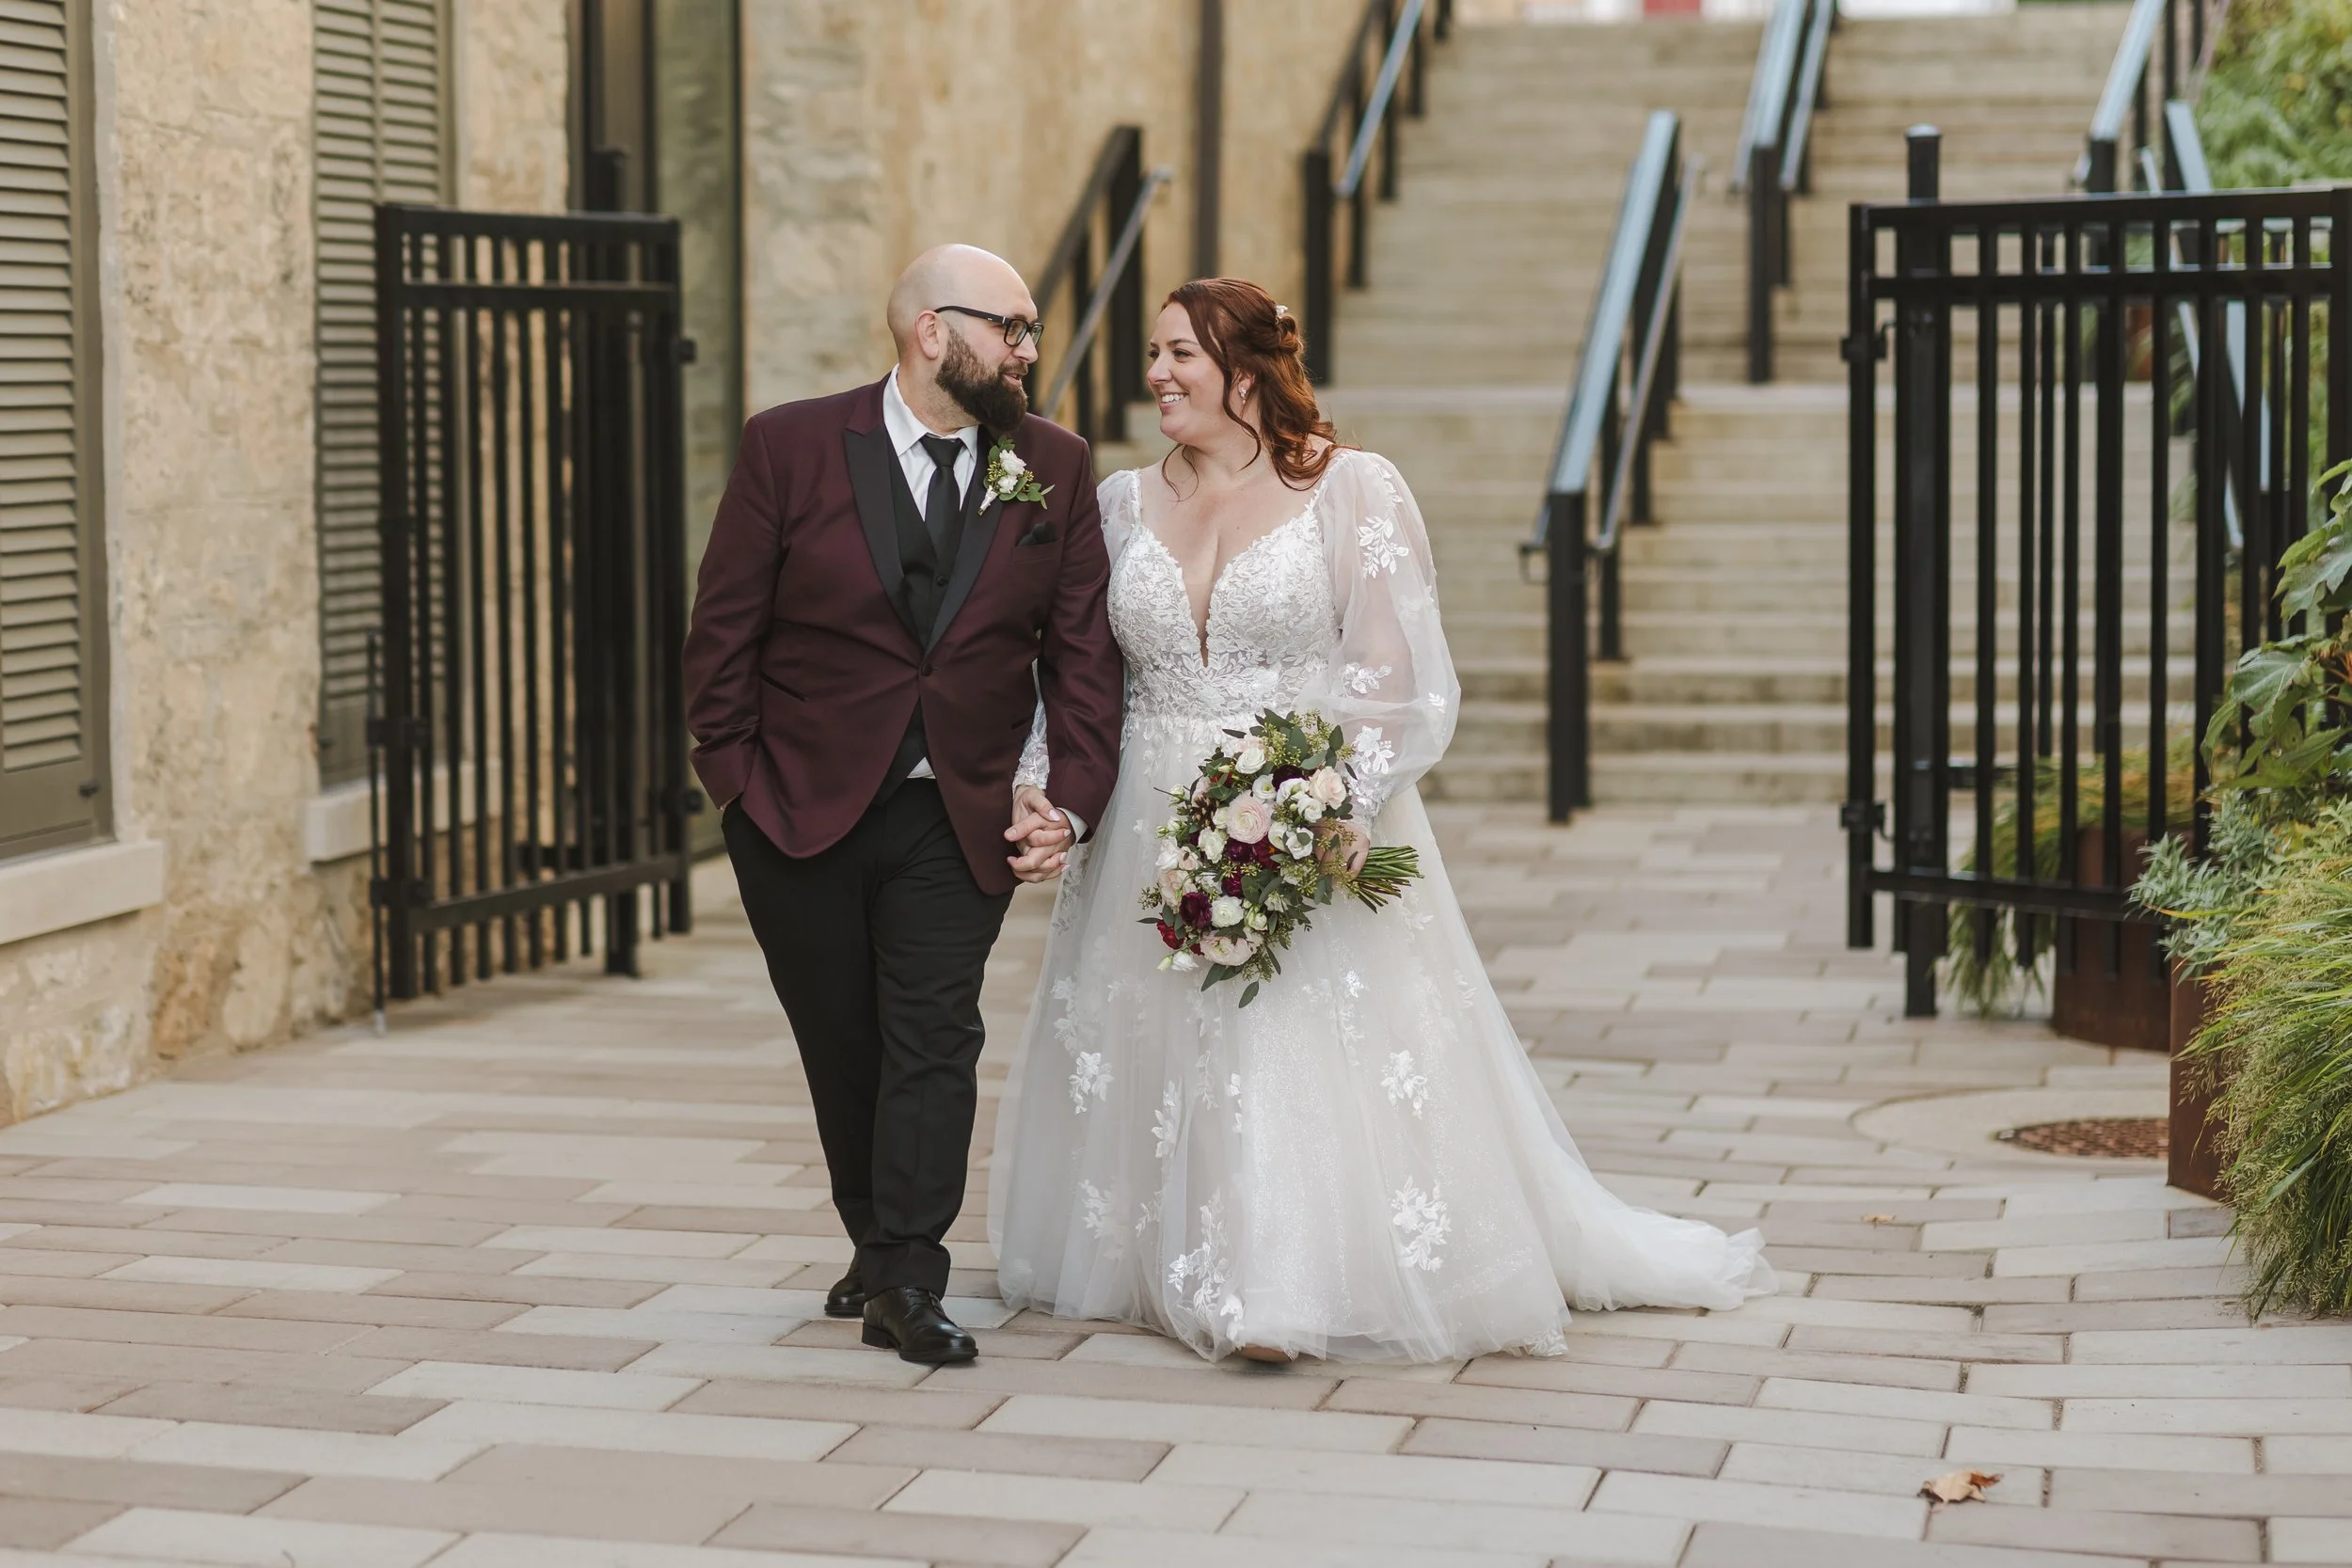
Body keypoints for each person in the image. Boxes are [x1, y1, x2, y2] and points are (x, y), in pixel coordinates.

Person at [989, 278, 1773, 1364]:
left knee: (1278, 1029)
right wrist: (1041, 783)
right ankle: (1169, 1251)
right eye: (1155, 352)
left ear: (1245, 374)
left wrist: (1327, 812)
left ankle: (1274, 1281)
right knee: (1168, 1033)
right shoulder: (1118, 503)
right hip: (1146, 820)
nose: (1155, 372)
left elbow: (1389, 673)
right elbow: (1078, 670)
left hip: (1296, 804)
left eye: (1178, 354)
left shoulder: (1349, 489)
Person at [684, 245, 1122, 1366]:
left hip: (957, 811)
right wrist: (733, 779)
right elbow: (723, 628)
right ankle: (875, 1242)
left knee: (934, 1033)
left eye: (1030, 330)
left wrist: (1069, 798)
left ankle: (909, 1277)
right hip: (795, 809)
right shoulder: (789, 445)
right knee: (842, 1038)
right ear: (933, 330)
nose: (1026, 349)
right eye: (1009, 326)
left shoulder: (1053, 463)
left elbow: (1081, 656)